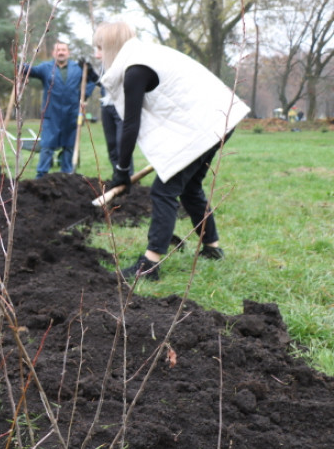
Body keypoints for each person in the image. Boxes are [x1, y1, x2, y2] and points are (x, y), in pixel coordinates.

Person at [94, 22, 250, 280]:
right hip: (220, 119)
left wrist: (122, 171)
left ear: (111, 46)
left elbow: (131, 124)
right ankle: (212, 248)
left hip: (207, 123)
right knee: (190, 187)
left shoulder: (136, 69)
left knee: (163, 190)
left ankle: (150, 265)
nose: (97, 55)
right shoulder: (147, 55)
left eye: (100, 48)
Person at [21, 41, 96, 179]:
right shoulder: (46, 67)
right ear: (53, 53)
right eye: (58, 50)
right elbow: (31, 71)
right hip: (51, 113)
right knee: (47, 146)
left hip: (72, 113)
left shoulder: (78, 68)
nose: (61, 52)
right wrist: (20, 65)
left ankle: (66, 176)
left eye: (63, 50)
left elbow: (93, 80)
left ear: (68, 53)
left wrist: (84, 95)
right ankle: (41, 176)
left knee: (69, 146)